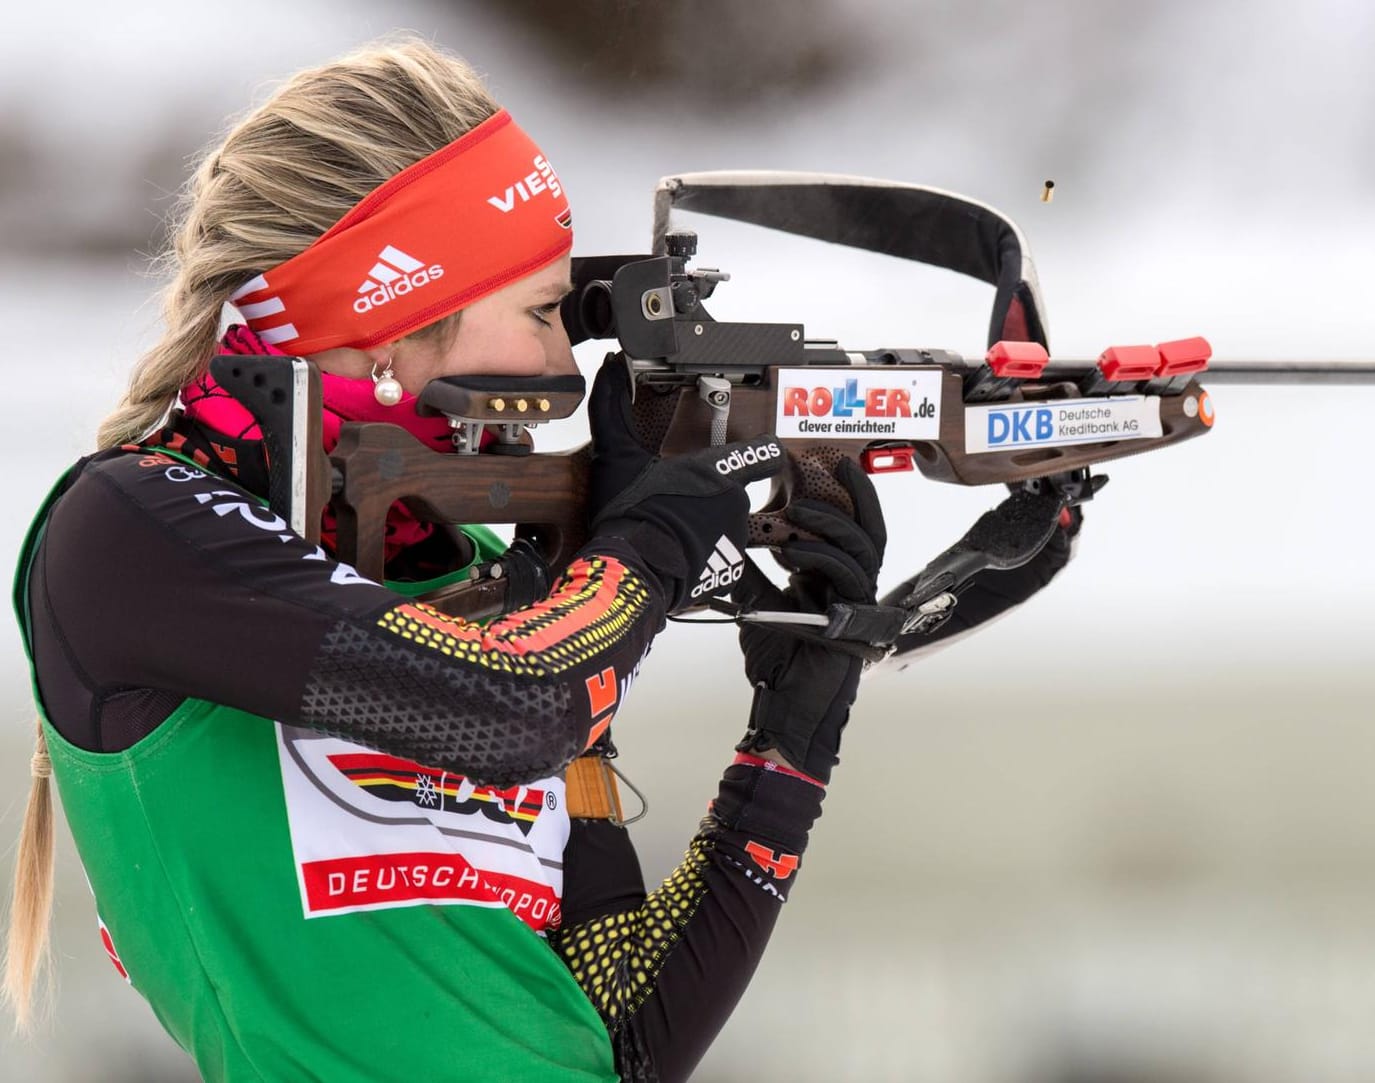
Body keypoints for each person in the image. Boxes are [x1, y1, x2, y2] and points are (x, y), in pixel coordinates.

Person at [5, 36, 1083, 1083]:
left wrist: (795, 729)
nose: (565, 362)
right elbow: (510, 709)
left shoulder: (493, 577)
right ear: (389, 317)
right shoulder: (132, 533)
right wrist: (653, 534)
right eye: (537, 312)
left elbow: (619, 1029)